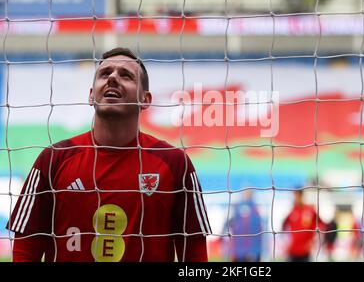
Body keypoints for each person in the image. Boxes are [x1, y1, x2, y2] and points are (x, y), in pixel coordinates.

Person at [6, 47, 211, 262]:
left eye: (126, 75)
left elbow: (195, 254)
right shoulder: (53, 159)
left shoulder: (175, 163)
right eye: (105, 74)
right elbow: (26, 249)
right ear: (91, 95)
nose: (113, 78)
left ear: (145, 99)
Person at [282, 189, 325, 262]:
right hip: (293, 250)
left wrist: (314, 240)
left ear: (301, 195)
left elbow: (322, 225)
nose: (296, 198)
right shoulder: (293, 210)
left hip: (305, 251)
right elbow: (283, 226)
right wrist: (286, 241)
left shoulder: (310, 210)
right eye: (294, 196)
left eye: (297, 195)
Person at [225, 190, 263, 262]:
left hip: (251, 249)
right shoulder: (238, 208)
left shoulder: (255, 209)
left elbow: (257, 231)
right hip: (238, 249)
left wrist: (254, 251)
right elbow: (229, 224)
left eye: (249, 193)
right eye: (245, 193)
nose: (247, 195)